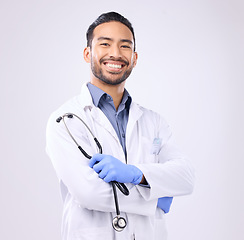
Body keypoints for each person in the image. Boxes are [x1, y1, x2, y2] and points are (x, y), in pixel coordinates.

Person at [46, 12, 195, 240]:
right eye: (105, 44)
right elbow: (88, 193)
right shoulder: (65, 121)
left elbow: (185, 177)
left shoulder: (153, 121)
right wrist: (155, 197)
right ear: (88, 53)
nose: (115, 53)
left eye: (125, 46)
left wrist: (137, 174)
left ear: (134, 58)